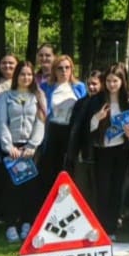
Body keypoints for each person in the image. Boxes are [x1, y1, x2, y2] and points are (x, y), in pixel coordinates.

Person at [0, 60, 47, 242]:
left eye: (29, 74)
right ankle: (11, 224)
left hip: (31, 150)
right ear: (16, 76)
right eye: (22, 74)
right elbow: (2, 122)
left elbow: (41, 122)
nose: (26, 77)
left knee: (30, 188)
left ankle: (27, 222)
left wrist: (32, 145)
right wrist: (8, 146)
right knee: (11, 187)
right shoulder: (6, 96)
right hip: (12, 149)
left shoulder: (38, 96)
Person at [88, 64, 129, 235]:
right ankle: (102, 226)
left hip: (121, 150)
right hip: (101, 150)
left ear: (122, 81)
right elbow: (87, 128)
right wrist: (97, 118)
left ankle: (113, 226)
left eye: (115, 81)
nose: (112, 84)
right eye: (108, 81)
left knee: (117, 188)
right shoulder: (97, 100)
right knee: (103, 189)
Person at [40, 55, 87, 190]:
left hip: (71, 130)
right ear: (54, 70)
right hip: (52, 129)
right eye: (60, 68)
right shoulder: (46, 87)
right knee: (50, 168)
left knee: (69, 167)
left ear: (72, 69)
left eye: (67, 67)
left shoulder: (79, 87)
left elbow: (84, 110)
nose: (64, 71)